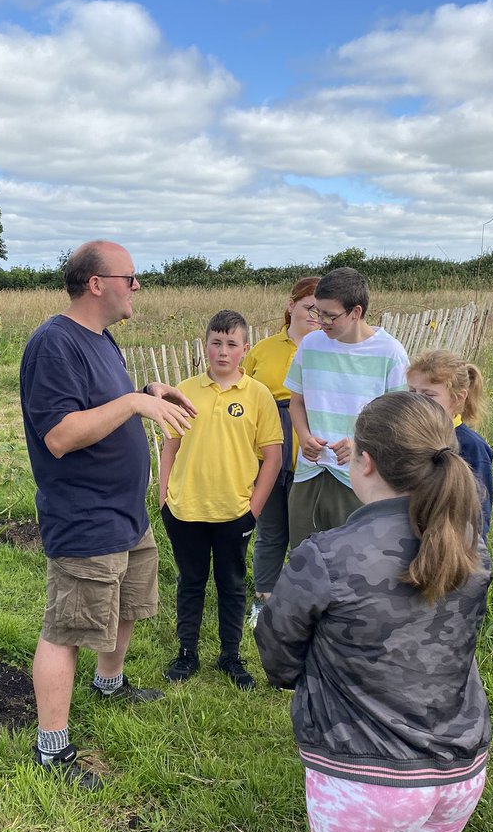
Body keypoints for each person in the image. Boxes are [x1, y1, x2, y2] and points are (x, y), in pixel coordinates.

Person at [255, 391, 492, 832]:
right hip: (460, 769)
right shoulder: (471, 545)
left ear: (364, 461)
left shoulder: (326, 555)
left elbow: (276, 653)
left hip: (366, 779)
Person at [19, 239, 197, 789]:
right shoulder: (54, 344)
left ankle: (110, 683)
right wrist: (134, 404)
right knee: (67, 626)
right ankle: (52, 749)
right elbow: (60, 435)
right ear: (97, 283)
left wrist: (147, 390)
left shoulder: (102, 340)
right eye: (131, 277)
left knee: (126, 603)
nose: (137, 286)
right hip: (85, 514)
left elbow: (96, 403)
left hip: (124, 510)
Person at [159, 310, 282, 690]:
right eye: (216, 343)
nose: (223, 351)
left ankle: (231, 655)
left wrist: (254, 508)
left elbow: (273, 456)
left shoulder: (258, 395)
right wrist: (163, 497)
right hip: (186, 509)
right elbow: (170, 446)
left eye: (231, 344)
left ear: (245, 349)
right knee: (190, 582)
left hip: (235, 512)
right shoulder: (186, 390)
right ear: (205, 346)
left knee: (231, 583)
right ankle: (186, 653)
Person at [285, 267, 409, 551]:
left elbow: (400, 424)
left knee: (353, 567)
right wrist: (304, 437)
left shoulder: (390, 353)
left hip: (360, 480)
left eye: (330, 315)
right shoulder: (311, 345)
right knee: (305, 563)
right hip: (309, 476)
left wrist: (358, 445)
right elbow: (297, 402)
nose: (321, 322)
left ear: (356, 312)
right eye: (318, 312)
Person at [243, 276, 320, 625]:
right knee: (272, 530)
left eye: (321, 309)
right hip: (269, 448)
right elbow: (242, 396)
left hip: (314, 451)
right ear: (291, 306)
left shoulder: (328, 348)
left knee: (311, 533)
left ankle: (305, 604)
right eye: (308, 307)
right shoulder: (263, 349)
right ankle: (265, 601)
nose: (314, 315)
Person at [407, 350, 493, 538]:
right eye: (412, 391)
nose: (417, 400)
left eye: (429, 395)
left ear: (457, 398)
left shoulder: (471, 446)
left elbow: (478, 512)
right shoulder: (406, 434)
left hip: (446, 544)